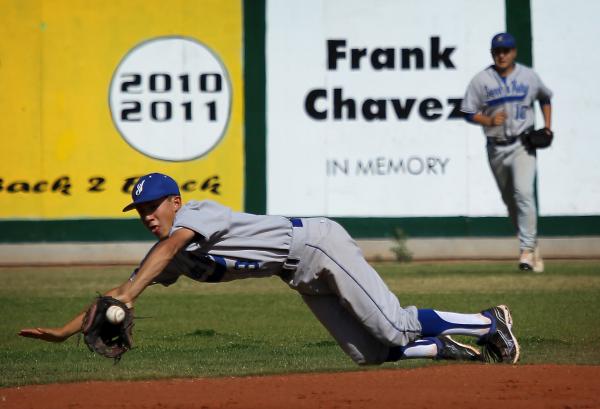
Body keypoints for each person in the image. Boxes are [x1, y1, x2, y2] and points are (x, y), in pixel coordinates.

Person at [20, 173, 519, 365]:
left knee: (392, 324)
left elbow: (163, 256)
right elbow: (122, 289)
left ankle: (489, 321)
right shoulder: (165, 253)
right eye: (141, 211)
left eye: (155, 206)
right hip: (297, 273)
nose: (149, 216)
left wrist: (130, 293)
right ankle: (451, 351)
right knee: (368, 352)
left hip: (318, 244)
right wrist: (67, 330)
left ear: (175, 201)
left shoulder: (196, 215)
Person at [461, 32, 553, 273]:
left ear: (514, 52)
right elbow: (468, 111)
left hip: (522, 144)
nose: (502, 55)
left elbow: (545, 98)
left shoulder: (528, 76)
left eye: (507, 50)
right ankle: (531, 244)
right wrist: (488, 119)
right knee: (510, 201)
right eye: (498, 51)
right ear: (493, 53)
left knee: (523, 193)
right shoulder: (482, 80)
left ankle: (526, 250)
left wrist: (548, 126)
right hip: (496, 147)